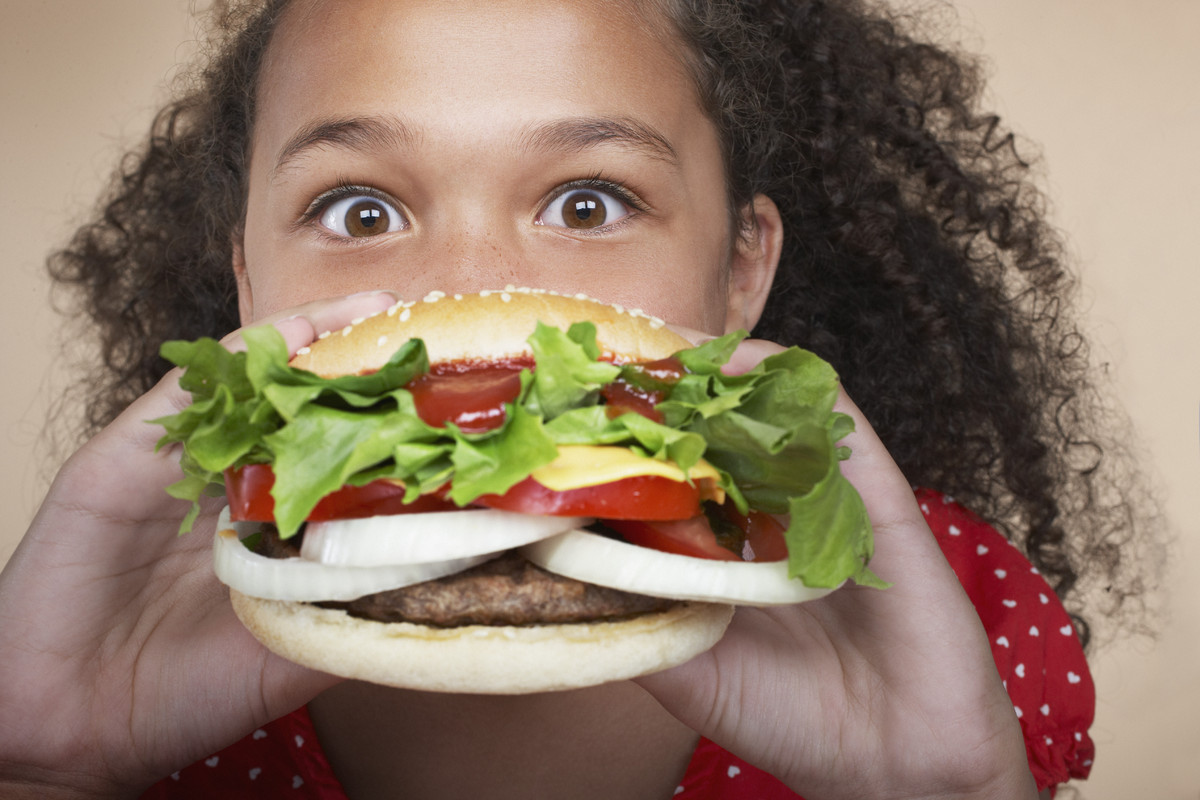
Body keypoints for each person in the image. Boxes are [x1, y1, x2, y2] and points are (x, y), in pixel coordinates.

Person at [0, 0, 1152, 797]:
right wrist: (39, 774)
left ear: (743, 268)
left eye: (590, 202)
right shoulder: (113, 649)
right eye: (359, 210)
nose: (462, 287)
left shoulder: (950, 617)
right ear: (249, 277)